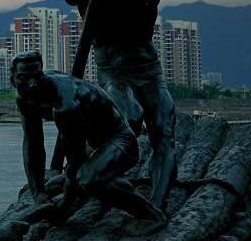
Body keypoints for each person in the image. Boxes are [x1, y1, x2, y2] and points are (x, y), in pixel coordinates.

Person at [61, 0, 175, 209]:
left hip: (149, 69)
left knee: (164, 129)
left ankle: (158, 202)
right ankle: (81, 175)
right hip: (113, 72)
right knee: (128, 118)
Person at [11, 50, 166, 236]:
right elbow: (32, 145)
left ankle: (151, 215)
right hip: (93, 143)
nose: (33, 84)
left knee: (89, 180)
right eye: (23, 78)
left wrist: (63, 208)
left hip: (120, 141)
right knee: (53, 185)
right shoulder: (24, 98)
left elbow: (75, 163)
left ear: (42, 73)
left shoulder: (65, 105)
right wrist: (38, 193)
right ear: (12, 79)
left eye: (37, 76)